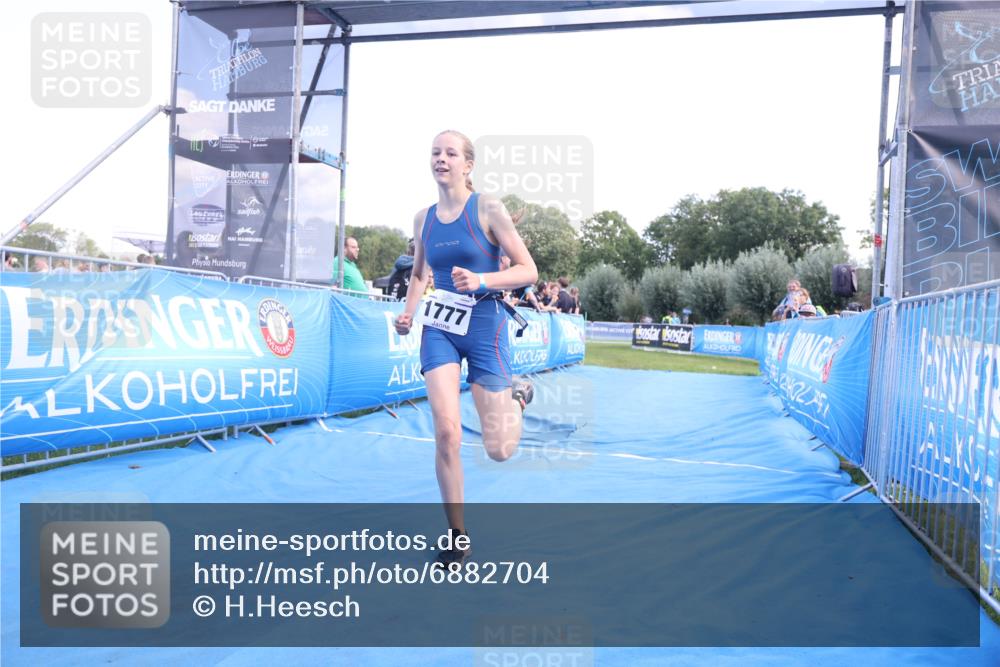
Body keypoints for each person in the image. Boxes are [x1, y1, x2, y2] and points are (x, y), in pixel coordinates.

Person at [393, 130, 538, 569]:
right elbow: (419, 275)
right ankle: (458, 538)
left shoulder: (488, 209)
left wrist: (482, 281)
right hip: (439, 327)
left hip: (485, 325)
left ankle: (517, 397)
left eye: (450, 153)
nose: (441, 159)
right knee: (447, 433)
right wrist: (408, 312)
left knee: (498, 449)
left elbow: (528, 270)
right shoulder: (423, 219)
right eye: (435, 152)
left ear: (467, 164)